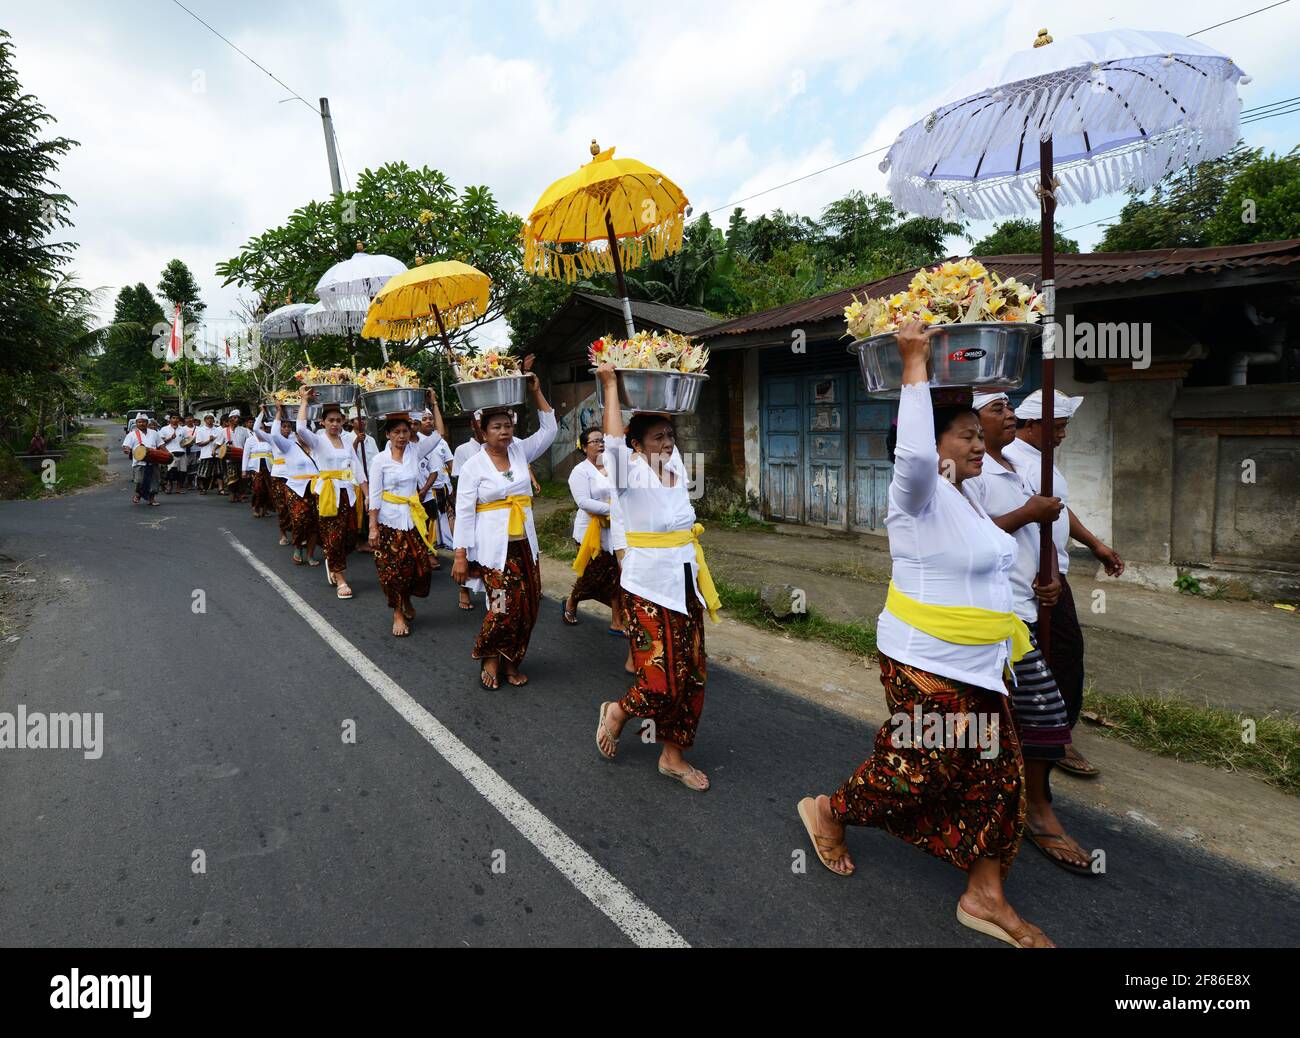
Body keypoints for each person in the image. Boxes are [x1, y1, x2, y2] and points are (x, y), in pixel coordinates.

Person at [795, 321, 1052, 948]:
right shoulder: (915, 496)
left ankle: (985, 895)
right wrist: (914, 362)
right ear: (935, 447)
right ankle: (831, 809)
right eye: (966, 435)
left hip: (983, 667)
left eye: (977, 435)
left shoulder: (964, 499)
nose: (978, 444)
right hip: (925, 661)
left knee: (996, 775)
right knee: (921, 768)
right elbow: (913, 457)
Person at [965, 391, 1093, 876]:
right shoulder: (971, 475)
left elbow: (1042, 532)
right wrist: (1028, 514)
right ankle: (1026, 810)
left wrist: (1053, 574)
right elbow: (974, 535)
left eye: (1007, 408)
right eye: (995, 409)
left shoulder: (1019, 465)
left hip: (1030, 602)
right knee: (1029, 710)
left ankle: (1026, 802)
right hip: (999, 614)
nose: (1008, 415)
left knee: (1039, 709)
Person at [589, 365, 721, 790]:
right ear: (636, 444)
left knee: (693, 674)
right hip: (647, 587)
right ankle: (618, 713)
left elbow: (666, 407)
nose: (667, 443)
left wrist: (661, 373)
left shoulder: (677, 468)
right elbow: (611, 442)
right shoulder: (627, 473)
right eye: (657, 438)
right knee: (660, 682)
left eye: (670, 436)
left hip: (686, 582)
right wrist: (612, 386)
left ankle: (672, 755)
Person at [1005, 389, 1124, 781]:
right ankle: (1056, 739)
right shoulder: (1015, 463)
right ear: (1033, 424)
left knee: (1061, 653)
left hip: (1053, 572)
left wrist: (1096, 544)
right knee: (1060, 654)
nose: (1063, 435)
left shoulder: (1043, 462)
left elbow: (1058, 510)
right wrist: (1049, 572)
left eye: (1065, 427)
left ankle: (1048, 730)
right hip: (1037, 577)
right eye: (1057, 427)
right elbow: (1028, 521)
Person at [451, 370, 557, 688]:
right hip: (493, 550)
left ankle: (513, 660)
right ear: (483, 432)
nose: (504, 432)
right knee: (501, 606)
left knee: (529, 606)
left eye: (508, 426)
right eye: (496, 427)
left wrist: (536, 391)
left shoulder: (519, 451)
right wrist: (460, 555)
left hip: (524, 545)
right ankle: (490, 656)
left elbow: (550, 430)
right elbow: (464, 512)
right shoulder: (473, 466)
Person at [367, 402, 447, 636]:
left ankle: (407, 599)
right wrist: (373, 527)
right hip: (388, 520)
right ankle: (398, 613)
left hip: (412, 519)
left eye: (405, 431)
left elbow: (439, 434)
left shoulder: (416, 451)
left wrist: (434, 404)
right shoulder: (379, 461)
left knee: (419, 568)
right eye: (396, 432)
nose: (401, 436)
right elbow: (374, 496)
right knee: (393, 571)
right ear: (388, 435)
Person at [563, 427, 624, 634]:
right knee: (593, 575)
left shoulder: (612, 467)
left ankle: (617, 621)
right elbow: (583, 502)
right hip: (590, 530)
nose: (600, 445)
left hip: (613, 530)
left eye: (602, 441)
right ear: (584, 447)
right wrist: (613, 509)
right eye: (595, 441)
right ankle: (572, 601)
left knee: (616, 574)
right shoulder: (580, 472)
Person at [297, 392, 359, 599]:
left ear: (343, 422)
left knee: (350, 537)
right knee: (334, 536)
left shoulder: (348, 441)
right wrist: (304, 401)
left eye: (338, 420)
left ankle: (331, 560)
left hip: (347, 493)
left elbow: (358, 469)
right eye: (330, 420)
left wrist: (368, 496)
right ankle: (340, 577)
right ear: (322, 422)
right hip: (327, 494)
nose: (334, 424)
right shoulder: (317, 441)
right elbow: (300, 429)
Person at [257, 405, 319, 566]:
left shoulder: (318, 448)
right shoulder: (289, 446)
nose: (302, 435)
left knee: (314, 523)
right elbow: (274, 434)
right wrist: (277, 412)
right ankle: (297, 547)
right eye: (299, 433)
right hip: (295, 489)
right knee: (298, 520)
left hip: (316, 490)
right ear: (296, 434)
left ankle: (311, 555)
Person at [451, 420, 485, 610]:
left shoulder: (507, 448)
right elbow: (460, 481)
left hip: (495, 514)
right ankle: (463, 589)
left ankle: (499, 604)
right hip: (471, 507)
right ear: (473, 425)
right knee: (466, 551)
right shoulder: (463, 450)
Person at [351, 413, 380, 554]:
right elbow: (349, 458)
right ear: (352, 422)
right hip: (356, 482)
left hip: (371, 480)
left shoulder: (371, 440)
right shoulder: (346, 438)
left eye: (364, 418)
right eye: (359, 419)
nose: (362, 421)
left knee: (370, 510)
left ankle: (370, 538)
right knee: (359, 512)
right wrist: (356, 442)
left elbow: (376, 459)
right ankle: (358, 542)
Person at [121, 413, 162, 506]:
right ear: (136, 423)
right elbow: (126, 446)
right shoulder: (131, 434)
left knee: (154, 481)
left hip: (153, 460)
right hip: (139, 462)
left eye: (143, 422)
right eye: (139, 422)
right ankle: (139, 494)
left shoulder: (154, 433)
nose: (141, 424)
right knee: (139, 481)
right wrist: (126, 450)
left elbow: (161, 445)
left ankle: (152, 499)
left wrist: (168, 454)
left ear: (147, 423)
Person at [243, 412, 276, 519]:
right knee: (258, 489)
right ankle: (256, 507)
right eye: (259, 428)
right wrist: (244, 470)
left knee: (268, 489)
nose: (261, 430)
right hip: (255, 468)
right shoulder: (250, 440)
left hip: (268, 467)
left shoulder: (269, 439)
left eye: (263, 428)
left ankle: (265, 509)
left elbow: (275, 454)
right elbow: (246, 455)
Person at [158, 414, 187, 494]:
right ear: (170, 419)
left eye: (177, 418)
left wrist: (188, 443)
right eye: (173, 418)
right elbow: (161, 442)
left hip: (182, 452)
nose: (175, 420)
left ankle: (178, 488)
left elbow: (186, 440)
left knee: (182, 472)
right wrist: (171, 438)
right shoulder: (164, 429)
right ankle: (169, 486)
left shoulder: (183, 429)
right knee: (171, 471)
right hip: (170, 452)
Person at [194, 414, 218, 494]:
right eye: (208, 418)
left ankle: (211, 487)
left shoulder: (217, 429)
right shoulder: (201, 430)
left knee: (217, 472)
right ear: (205, 420)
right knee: (203, 473)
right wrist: (209, 440)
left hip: (216, 454)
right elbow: (199, 443)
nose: (210, 420)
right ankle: (202, 488)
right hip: (205, 454)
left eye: (211, 418)